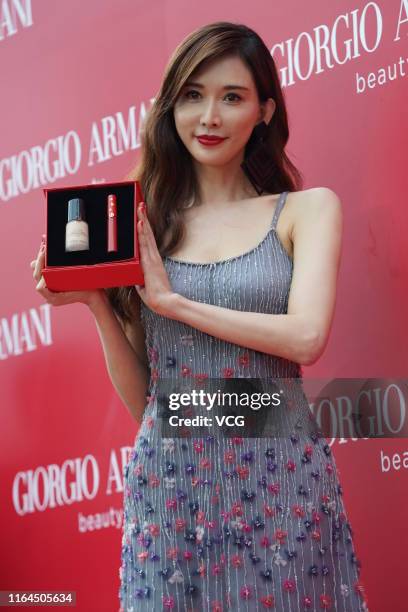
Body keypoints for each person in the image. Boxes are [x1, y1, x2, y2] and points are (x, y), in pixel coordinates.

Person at [31, 21, 369, 612]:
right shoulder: (145, 227)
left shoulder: (306, 211)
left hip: (279, 478)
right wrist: (95, 303)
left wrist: (173, 303)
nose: (208, 116)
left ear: (264, 111)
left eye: (231, 97)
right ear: (171, 107)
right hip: (172, 489)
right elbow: (150, 404)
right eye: (193, 95)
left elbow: (307, 337)